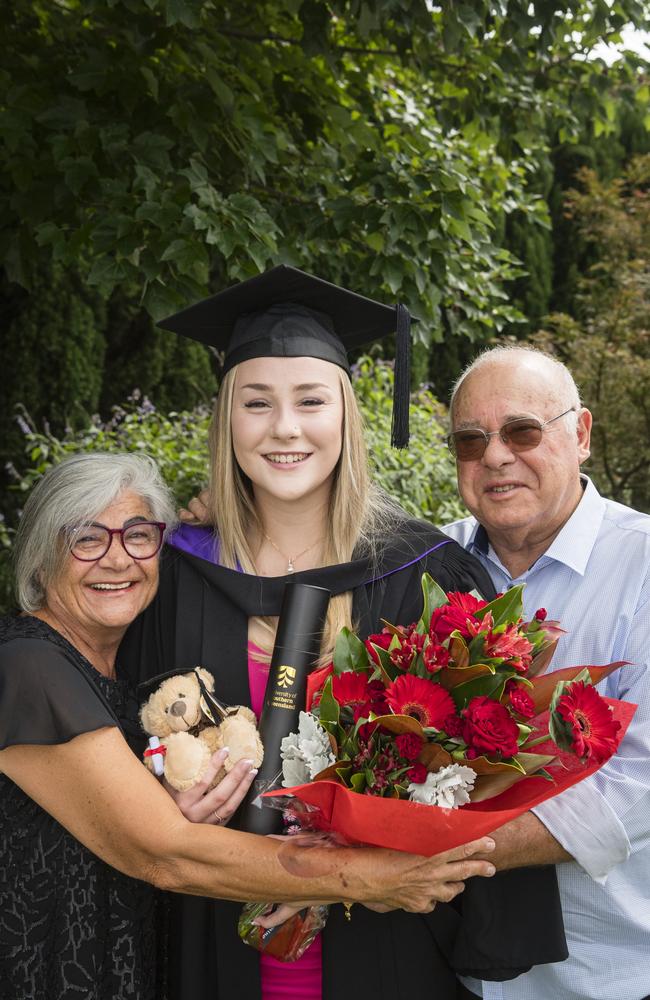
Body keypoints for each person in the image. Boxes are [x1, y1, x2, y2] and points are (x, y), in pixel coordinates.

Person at [119, 266, 567, 1000]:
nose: (285, 428)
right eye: (256, 402)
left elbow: (488, 779)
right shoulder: (170, 576)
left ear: (347, 416)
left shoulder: (427, 576)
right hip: (206, 943)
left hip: (386, 953)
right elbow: (112, 744)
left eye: (310, 400)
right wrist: (158, 800)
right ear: (227, 419)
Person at [0, 452, 499, 1000]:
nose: (117, 560)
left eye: (138, 535)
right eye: (85, 538)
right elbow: (165, 853)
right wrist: (372, 876)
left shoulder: (116, 670)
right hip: (49, 966)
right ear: (40, 557)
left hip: (117, 956)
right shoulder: (28, 665)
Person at [443, 345, 650, 1000]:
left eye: (522, 431)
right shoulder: (426, 564)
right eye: (470, 441)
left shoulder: (643, 568)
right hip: (450, 971)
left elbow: (637, 790)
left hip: (604, 976)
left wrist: (429, 847)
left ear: (581, 433)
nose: (496, 456)